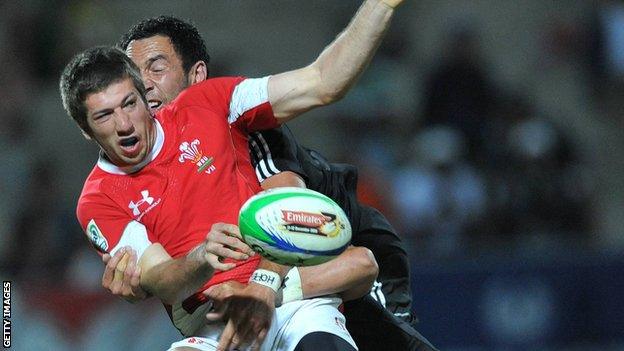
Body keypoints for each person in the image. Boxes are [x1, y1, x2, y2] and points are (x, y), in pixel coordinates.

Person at [60, 1, 406, 350]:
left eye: (129, 103)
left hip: (295, 297)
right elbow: (163, 280)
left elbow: (322, 82)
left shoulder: (212, 104)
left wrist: (380, 5)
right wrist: (201, 255)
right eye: (104, 116)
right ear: (86, 130)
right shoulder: (98, 198)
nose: (123, 124)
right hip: (214, 319)